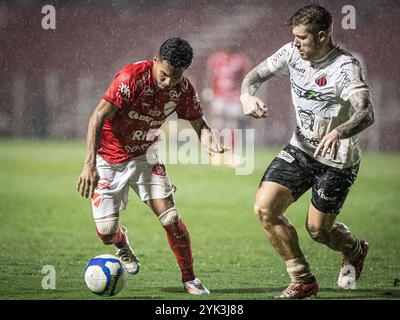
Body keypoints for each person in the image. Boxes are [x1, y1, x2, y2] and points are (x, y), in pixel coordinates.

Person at [240, 4, 374, 299]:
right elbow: (253, 76)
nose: (296, 42)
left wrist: (338, 131)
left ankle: (354, 249)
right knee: (265, 209)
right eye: (295, 36)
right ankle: (302, 279)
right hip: (300, 149)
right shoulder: (291, 53)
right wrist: (246, 96)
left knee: (319, 231)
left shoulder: (345, 67)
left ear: (323, 35)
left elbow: (366, 113)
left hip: (337, 160)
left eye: (302, 37)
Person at [77, 37, 225, 295]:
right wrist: (89, 165)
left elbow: (199, 124)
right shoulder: (131, 78)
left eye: (176, 77)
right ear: (156, 60)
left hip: (145, 155)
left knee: (171, 218)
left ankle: (190, 278)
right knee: (105, 232)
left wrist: (208, 140)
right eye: (165, 75)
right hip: (108, 159)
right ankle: (121, 243)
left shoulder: (184, 89)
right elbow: (98, 116)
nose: (169, 83)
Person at [204, 42, 251, 166]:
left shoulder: (241, 60)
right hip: (219, 96)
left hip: (234, 96)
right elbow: (210, 74)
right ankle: (217, 152)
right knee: (217, 124)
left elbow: (246, 78)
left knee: (233, 126)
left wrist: (244, 94)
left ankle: (232, 154)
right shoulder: (216, 58)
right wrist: (208, 89)